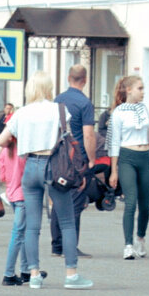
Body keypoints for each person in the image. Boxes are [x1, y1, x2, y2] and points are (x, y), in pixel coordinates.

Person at [0, 70, 93, 289]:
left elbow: (3, 140)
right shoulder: (58, 110)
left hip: (30, 167)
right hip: (55, 167)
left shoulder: (21, 113)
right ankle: (71, 275)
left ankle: (33, 274)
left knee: (32, 226)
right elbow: (67, 137)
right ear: (49, 88)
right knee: (67, 222)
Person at [51, 64, 96, 259]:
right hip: (77, 158)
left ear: (69, 78)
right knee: (76, 202)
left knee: (58, 197)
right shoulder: (85, 103)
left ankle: (57, 244)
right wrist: (91, 160)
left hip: (59, 155)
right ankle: (71, 245)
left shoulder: (58, 100)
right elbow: (88, 134)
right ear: (84, 80)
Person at [109, 75, 149, 260]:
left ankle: (140, 238)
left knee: (145, 204)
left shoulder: (145, 109)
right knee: (131, 201)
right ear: (129, 90)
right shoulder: (119, 112)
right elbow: (114, 142)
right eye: (140, 88)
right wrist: (114, 170)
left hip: (144, 156)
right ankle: (127, 244)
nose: (143, 92)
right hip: (127, 156)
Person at [0, 134, 28, 285]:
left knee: (21, 233)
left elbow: (2, 177)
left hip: (11, 194)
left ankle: (26, 270)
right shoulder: (24, 151)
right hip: (23, 194)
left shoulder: (4, 151)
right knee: (18, 234)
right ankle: (8, 273)